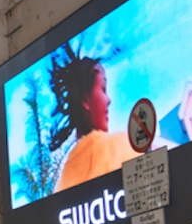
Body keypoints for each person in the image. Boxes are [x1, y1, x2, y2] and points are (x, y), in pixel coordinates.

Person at [48, 47, 137, 192]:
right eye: (103, 89)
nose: (109, 100)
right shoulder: (122, 146)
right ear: (85, 100)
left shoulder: (63, 180)